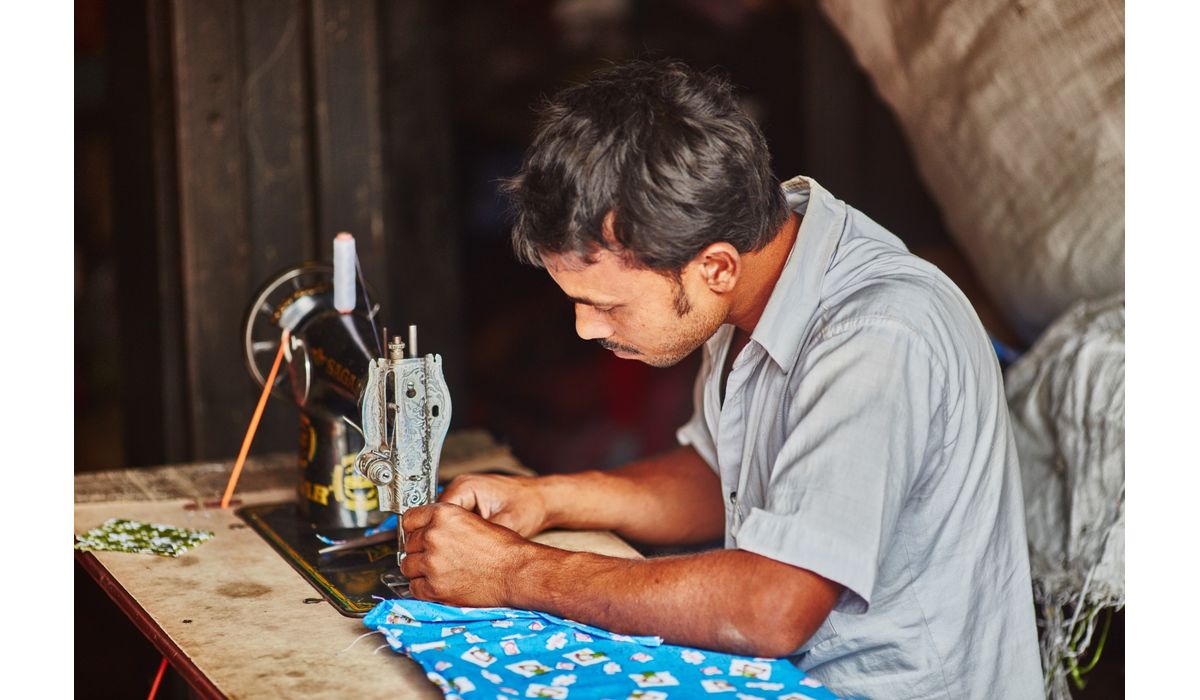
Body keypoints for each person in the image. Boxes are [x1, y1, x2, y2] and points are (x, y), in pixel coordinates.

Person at [398, 59, 1043, 698]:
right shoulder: (746, 282)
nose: (585, 329)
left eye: (607, 306)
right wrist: (545, 499)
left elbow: (773, 606)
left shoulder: (875, 336)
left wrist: (515, 572)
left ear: (715, 268)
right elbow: (726, 479)